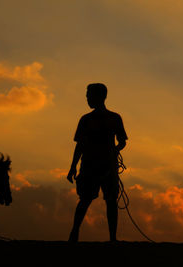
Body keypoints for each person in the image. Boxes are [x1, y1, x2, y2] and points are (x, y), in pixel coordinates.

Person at [67, 83, 127, 242]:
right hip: (92, 165)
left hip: (104, 166)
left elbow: (122, 141)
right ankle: (75, 233)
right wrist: (72, 167)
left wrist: (115, 150)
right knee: (91, 200)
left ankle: (110, 238)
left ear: (99, 97)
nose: (87, 98)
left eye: (89, 95)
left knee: (108, 201)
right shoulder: (88, 119)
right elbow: (79, 145)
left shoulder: (112, 118)